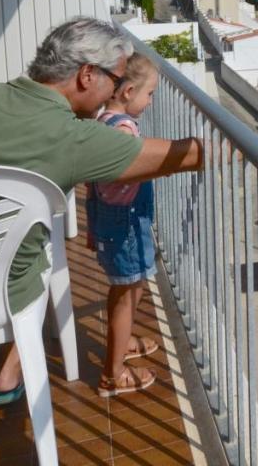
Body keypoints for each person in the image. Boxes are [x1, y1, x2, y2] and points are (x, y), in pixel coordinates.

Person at [0, 18, 206, 424]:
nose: (114, 92)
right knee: (40, 252)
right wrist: (256, 152)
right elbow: (179, 155)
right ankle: (8, 372)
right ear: (87, 75)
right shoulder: (71, 138)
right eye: (115, 79)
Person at [86, 53, 162, 396]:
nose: (150, 102)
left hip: (113, 220)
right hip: (125, 225)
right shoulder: (123, 130)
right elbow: (131, 170)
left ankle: (125, 340)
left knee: (130, 286)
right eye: (149, 94)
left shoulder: (104, 120)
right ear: (129, 91)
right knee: (125, 293)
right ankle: (112, 374)